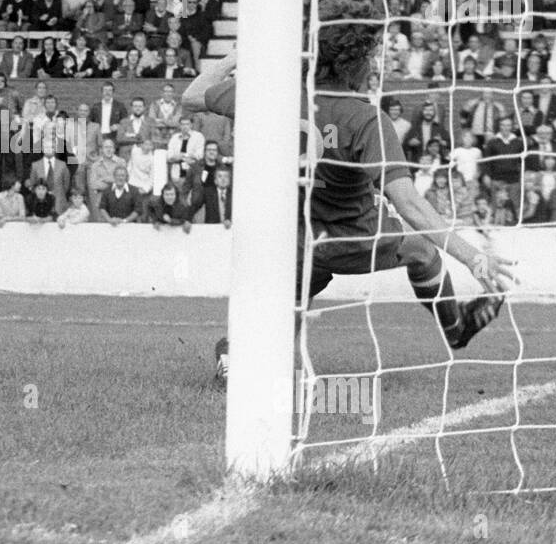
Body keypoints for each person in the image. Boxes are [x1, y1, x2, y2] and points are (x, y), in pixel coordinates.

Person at [184, 25, 516, 383]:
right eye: (371, 59)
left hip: (296, 242)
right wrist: (472, 256)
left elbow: (191, 97)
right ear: (353, 66)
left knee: (291, 311)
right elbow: (407, 201)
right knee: (422, 252)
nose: (373, 67)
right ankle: (456, 328)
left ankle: (237, 354)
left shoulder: (271, 96)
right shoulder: (367, 118)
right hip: (354, 239)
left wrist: (237, 57)